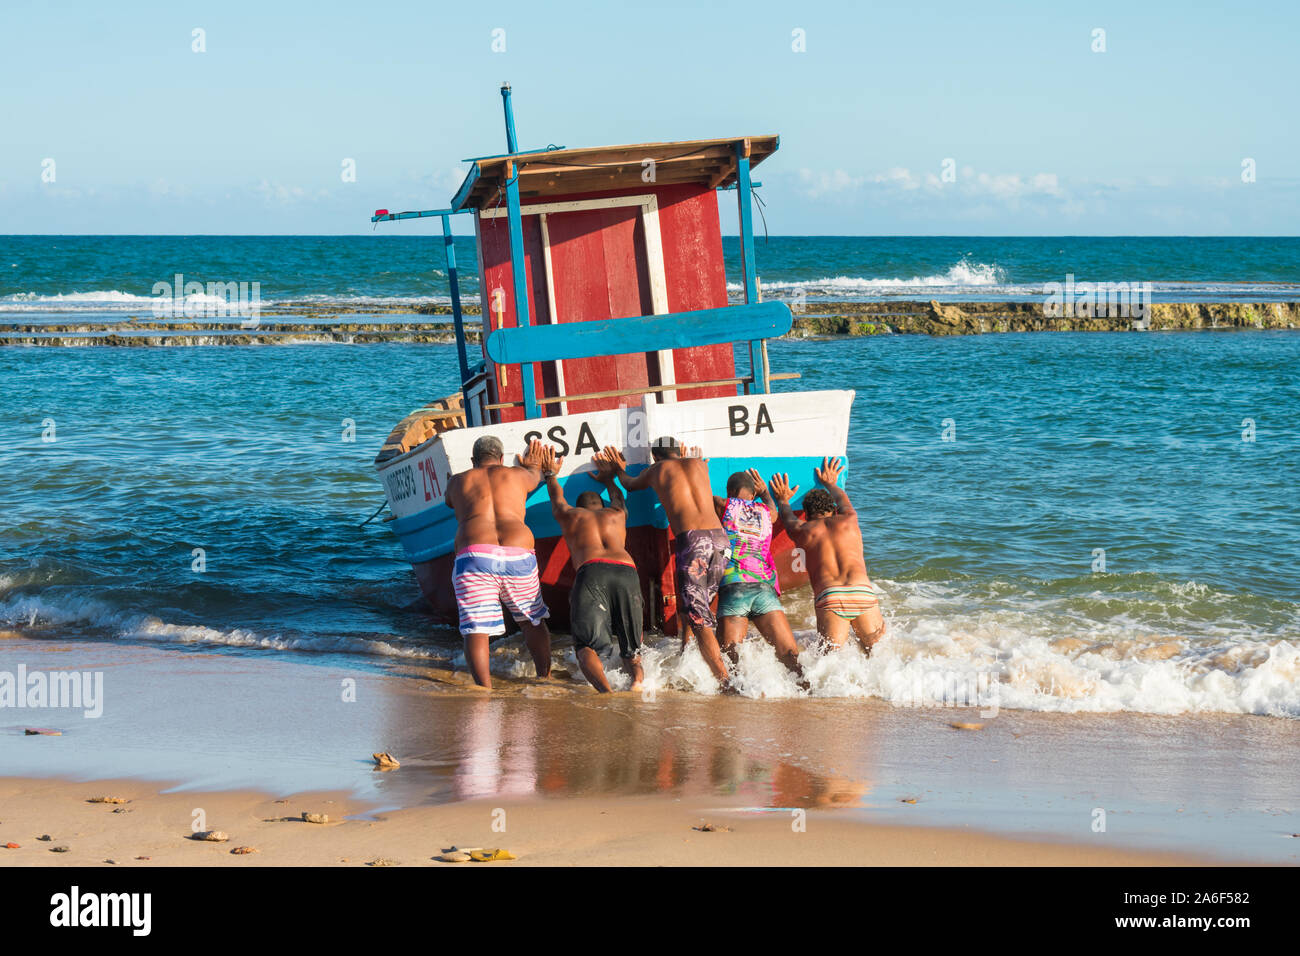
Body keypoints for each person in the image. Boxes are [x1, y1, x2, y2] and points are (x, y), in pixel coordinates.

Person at [598, 439, 730, 683]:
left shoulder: (657, 469)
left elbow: (630, 484)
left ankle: (724, 681)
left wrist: (617, 469)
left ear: (656, 457)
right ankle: (686, 657)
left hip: (694, 544)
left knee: (698, 615)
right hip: (721, 541)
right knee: (694, 607)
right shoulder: (700, 464)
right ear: (680, 451)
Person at [444, 435, 553, 689]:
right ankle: (544, 678)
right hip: (518, 552)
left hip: (475, 555)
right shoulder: (516, 474)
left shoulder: (458, 481)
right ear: (502, 458)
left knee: (476, 629)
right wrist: (534, 466)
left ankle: (484, 689)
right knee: (532, 620)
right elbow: (536, 475)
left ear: (473, 461)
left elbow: (449, 500)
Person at [537, 444, 644, 693]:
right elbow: (619, 498)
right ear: (601, 503)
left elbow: (556, 499)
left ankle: (607, 694)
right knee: (632, 647)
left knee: (586, 646)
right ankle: (638, 683)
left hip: (593, 570)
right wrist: (609, 478)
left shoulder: (571, 515)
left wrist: (550, 474)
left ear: (580, 506)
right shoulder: (618, 513)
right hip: (627, 569)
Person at [770, 456, 886, 655]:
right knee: (876, 656)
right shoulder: (850, 519)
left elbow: (786, 516)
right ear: (833, 510)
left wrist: (782, 499)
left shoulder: (801, 530)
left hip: (831, 597)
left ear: (806, 514)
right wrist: (830, 483)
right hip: (862, 591)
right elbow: (843, 500)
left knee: (829, 661)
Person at [714, 469, 804, 679]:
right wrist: (765, 492)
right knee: (790, 657)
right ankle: (805, 693)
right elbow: (774, 510)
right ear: (752, 494)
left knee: (730, 659)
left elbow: (699, 498)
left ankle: (734, 703)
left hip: (734, 586)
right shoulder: (766, 512)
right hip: (764, 588)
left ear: (730, 491)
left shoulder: (724, 504)